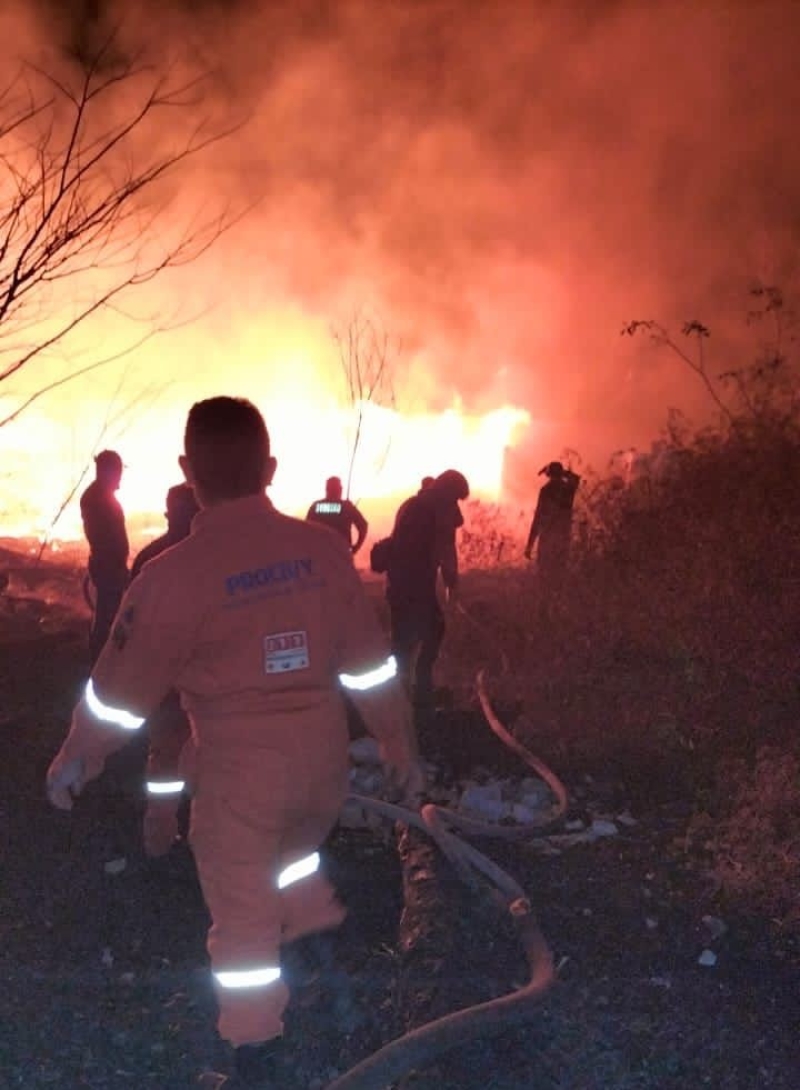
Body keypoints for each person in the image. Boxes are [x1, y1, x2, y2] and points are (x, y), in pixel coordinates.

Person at [46, 396, 420, 1087]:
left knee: (242, 926)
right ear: (270, 468)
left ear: (189, 473)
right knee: (294, 853)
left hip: (240, 776)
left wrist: (78, 755)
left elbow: (120, 687)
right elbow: (370, 662)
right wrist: (399, 743)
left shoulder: (173, 576)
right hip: (323, 765)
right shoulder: (321, 552)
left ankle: (256, 1055)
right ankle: (318, 940)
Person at [130, 482, 200, 858]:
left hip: (164, 687)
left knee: (165, 764)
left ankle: (158, 840)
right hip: (203, 687)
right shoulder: (217, 558)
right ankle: (203, 841)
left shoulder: (150, 559)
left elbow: (130, 627)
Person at [386, 469, 469, 704]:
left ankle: (405, 691)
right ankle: (416, 689)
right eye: (454, 498)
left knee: (405, 641)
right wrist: (452, 582)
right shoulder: (433, 509)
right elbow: (445, 549)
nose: (454, 503)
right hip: (413, 585)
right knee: (428, 632)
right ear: (447, 491)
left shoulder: (413, 504)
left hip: (401, 584)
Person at [80, 449, 129, 665]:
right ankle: (101, 660)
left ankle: (101, 658)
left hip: (108, 566)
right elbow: (108, 539)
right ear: (108, 472)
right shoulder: (99, 500)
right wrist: (118, 565)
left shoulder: (97, 497)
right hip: (108, 568)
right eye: (117, 472)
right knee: (107, 616)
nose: (120, 477)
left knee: (107, 614)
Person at [524, 461, 580, 589]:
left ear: (549, 475)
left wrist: (530, 545)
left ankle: (545, 601)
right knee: (559, 575)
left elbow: (538, 518)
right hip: (563, 538)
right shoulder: (568, 489)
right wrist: (564, 472)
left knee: (544, 576)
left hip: (547, 539)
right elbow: (576, 478)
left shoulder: (546, 490)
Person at [306, 476, 368, 556]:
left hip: (320, 556)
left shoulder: (316, 506)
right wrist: (356, 547)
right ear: (339, 489)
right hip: (342, 556)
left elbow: (306, 530)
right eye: (340, 487)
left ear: (327, 489)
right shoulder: (346, 507)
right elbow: (364, 526)